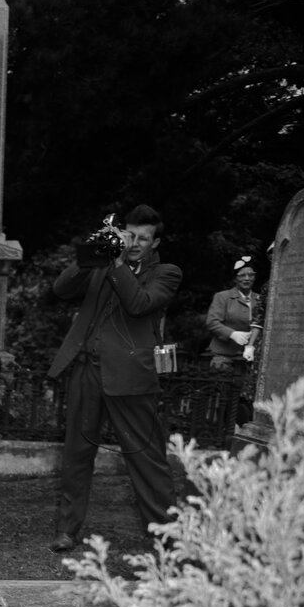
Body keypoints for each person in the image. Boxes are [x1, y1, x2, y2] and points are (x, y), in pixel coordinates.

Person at [46, 205, 181, 553]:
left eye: (143, 239)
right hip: (87, 369)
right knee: (76, 454)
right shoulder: (103, 263)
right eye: (129, 235)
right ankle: (67, 530)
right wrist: (92, 254)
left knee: (146, 458)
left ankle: (168, 538)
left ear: (155, 243)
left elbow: (139, 303)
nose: (133, 243)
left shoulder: (167, 273)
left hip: (131, 377)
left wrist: (117, 263)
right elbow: (61, 288)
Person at [206, 255, 259, 369]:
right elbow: (212, 322)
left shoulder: (260, 299)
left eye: (251, 275)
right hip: (224, 356)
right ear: (235, 278)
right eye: (242, 275)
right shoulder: (223, 297)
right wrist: (232, 334)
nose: (247, 278)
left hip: (252, 357)